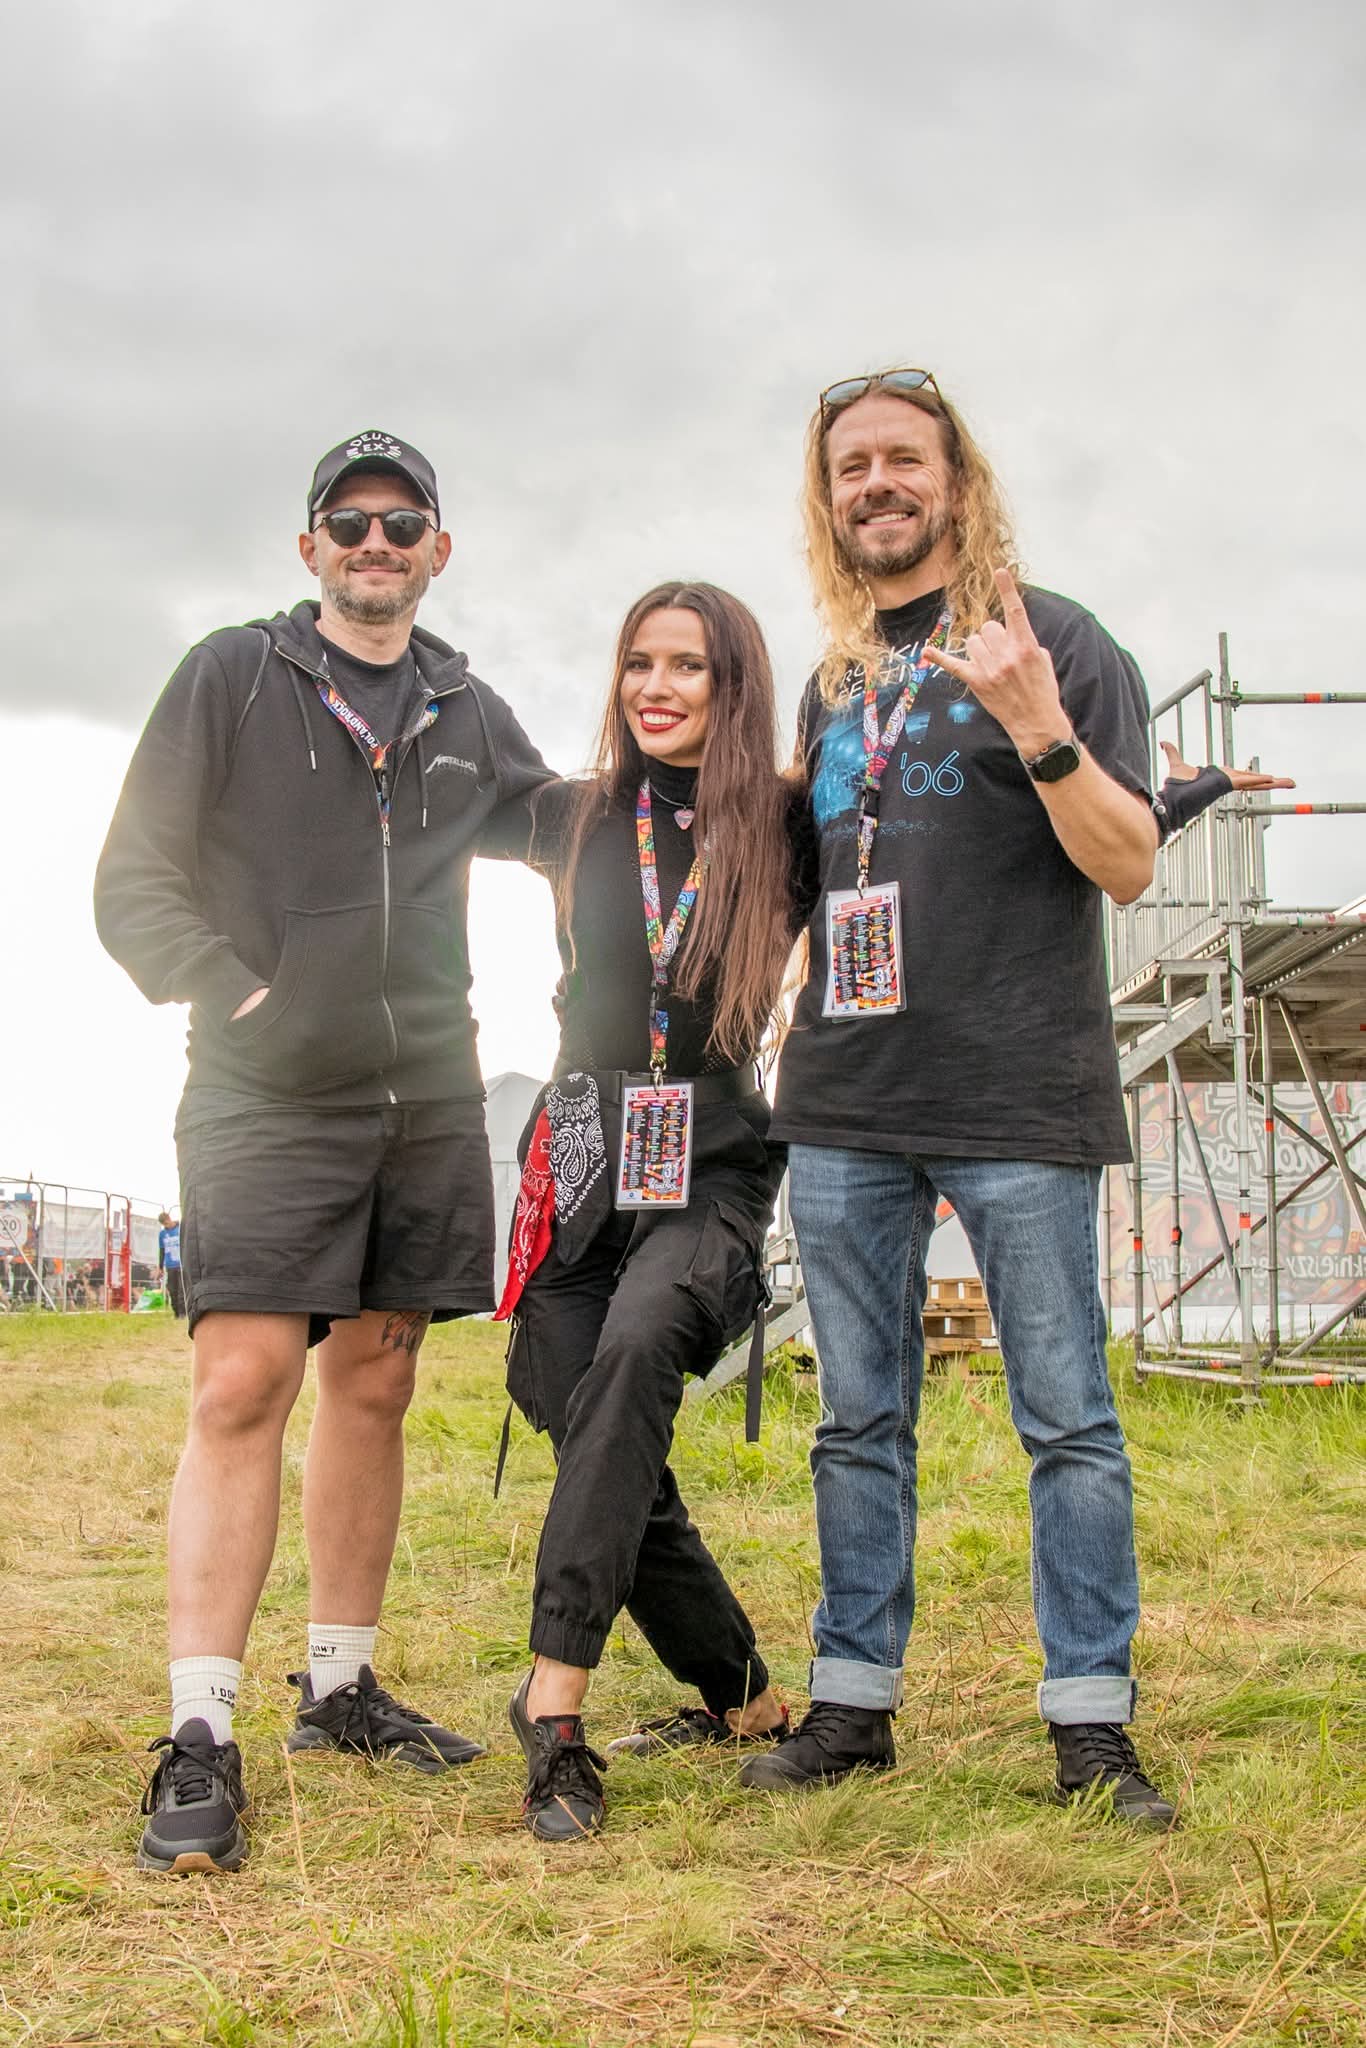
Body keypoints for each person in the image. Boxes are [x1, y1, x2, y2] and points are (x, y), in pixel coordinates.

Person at [95, 430, 551, 1873]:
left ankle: (340, 1687)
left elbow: (563, 824)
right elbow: (132, 880)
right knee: (243, 1381)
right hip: (263, 1092)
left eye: (400, 521)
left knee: (378, 1376)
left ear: (437, 549)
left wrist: (711, 789)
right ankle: (200, 1733)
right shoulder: (233, 677)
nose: (374, 542)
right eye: (346, 521)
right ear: (309, 548)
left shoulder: (465, 706)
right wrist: (244, 997)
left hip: (425, 1095)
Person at [744, 368, 1176, 1827]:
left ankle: (1090, 1724)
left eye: (901, 458)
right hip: (846, 1093)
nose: (875, 483)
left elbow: (1127, 861)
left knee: (1066, 1417)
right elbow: (809, 883)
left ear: (956, 478)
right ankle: (852, 1703)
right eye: (849, 466)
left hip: (1015, 1087)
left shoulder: (1056, 639)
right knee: (855, 1418)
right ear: (828, 500)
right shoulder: (834, 677)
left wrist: (1040, 725)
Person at [485, 582, 797, 1840]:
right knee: (594, 1423)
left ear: (734, 684)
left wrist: (1155, 800)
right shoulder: (573, 814)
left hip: (710, 1155)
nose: (656, 687)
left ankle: (551, 1704)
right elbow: (417, 792)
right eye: (637, 663)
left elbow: (946, 856)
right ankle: (746, 1696)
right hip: (575, 1147)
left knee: (633, 1354)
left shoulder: (786, 821)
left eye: (687, 665)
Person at [1155, 740, 1294, 836]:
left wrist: (1169, 806)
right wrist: (1171, 808)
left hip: (1157, 813)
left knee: (1232, 777)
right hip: (1158, 815)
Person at [157, 1210, 186, 1319]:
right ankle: (176, 1313)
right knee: (172, 1290)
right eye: (164, 1224)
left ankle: (183, 1313)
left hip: (181, 1264)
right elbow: (162, 1250)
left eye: (167, 1222)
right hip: (170, 1266)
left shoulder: (180, 1229)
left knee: (181, 1290)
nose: (166, 1225)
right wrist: (160, 1266)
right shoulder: (162, 1234)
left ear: (169, 1218)